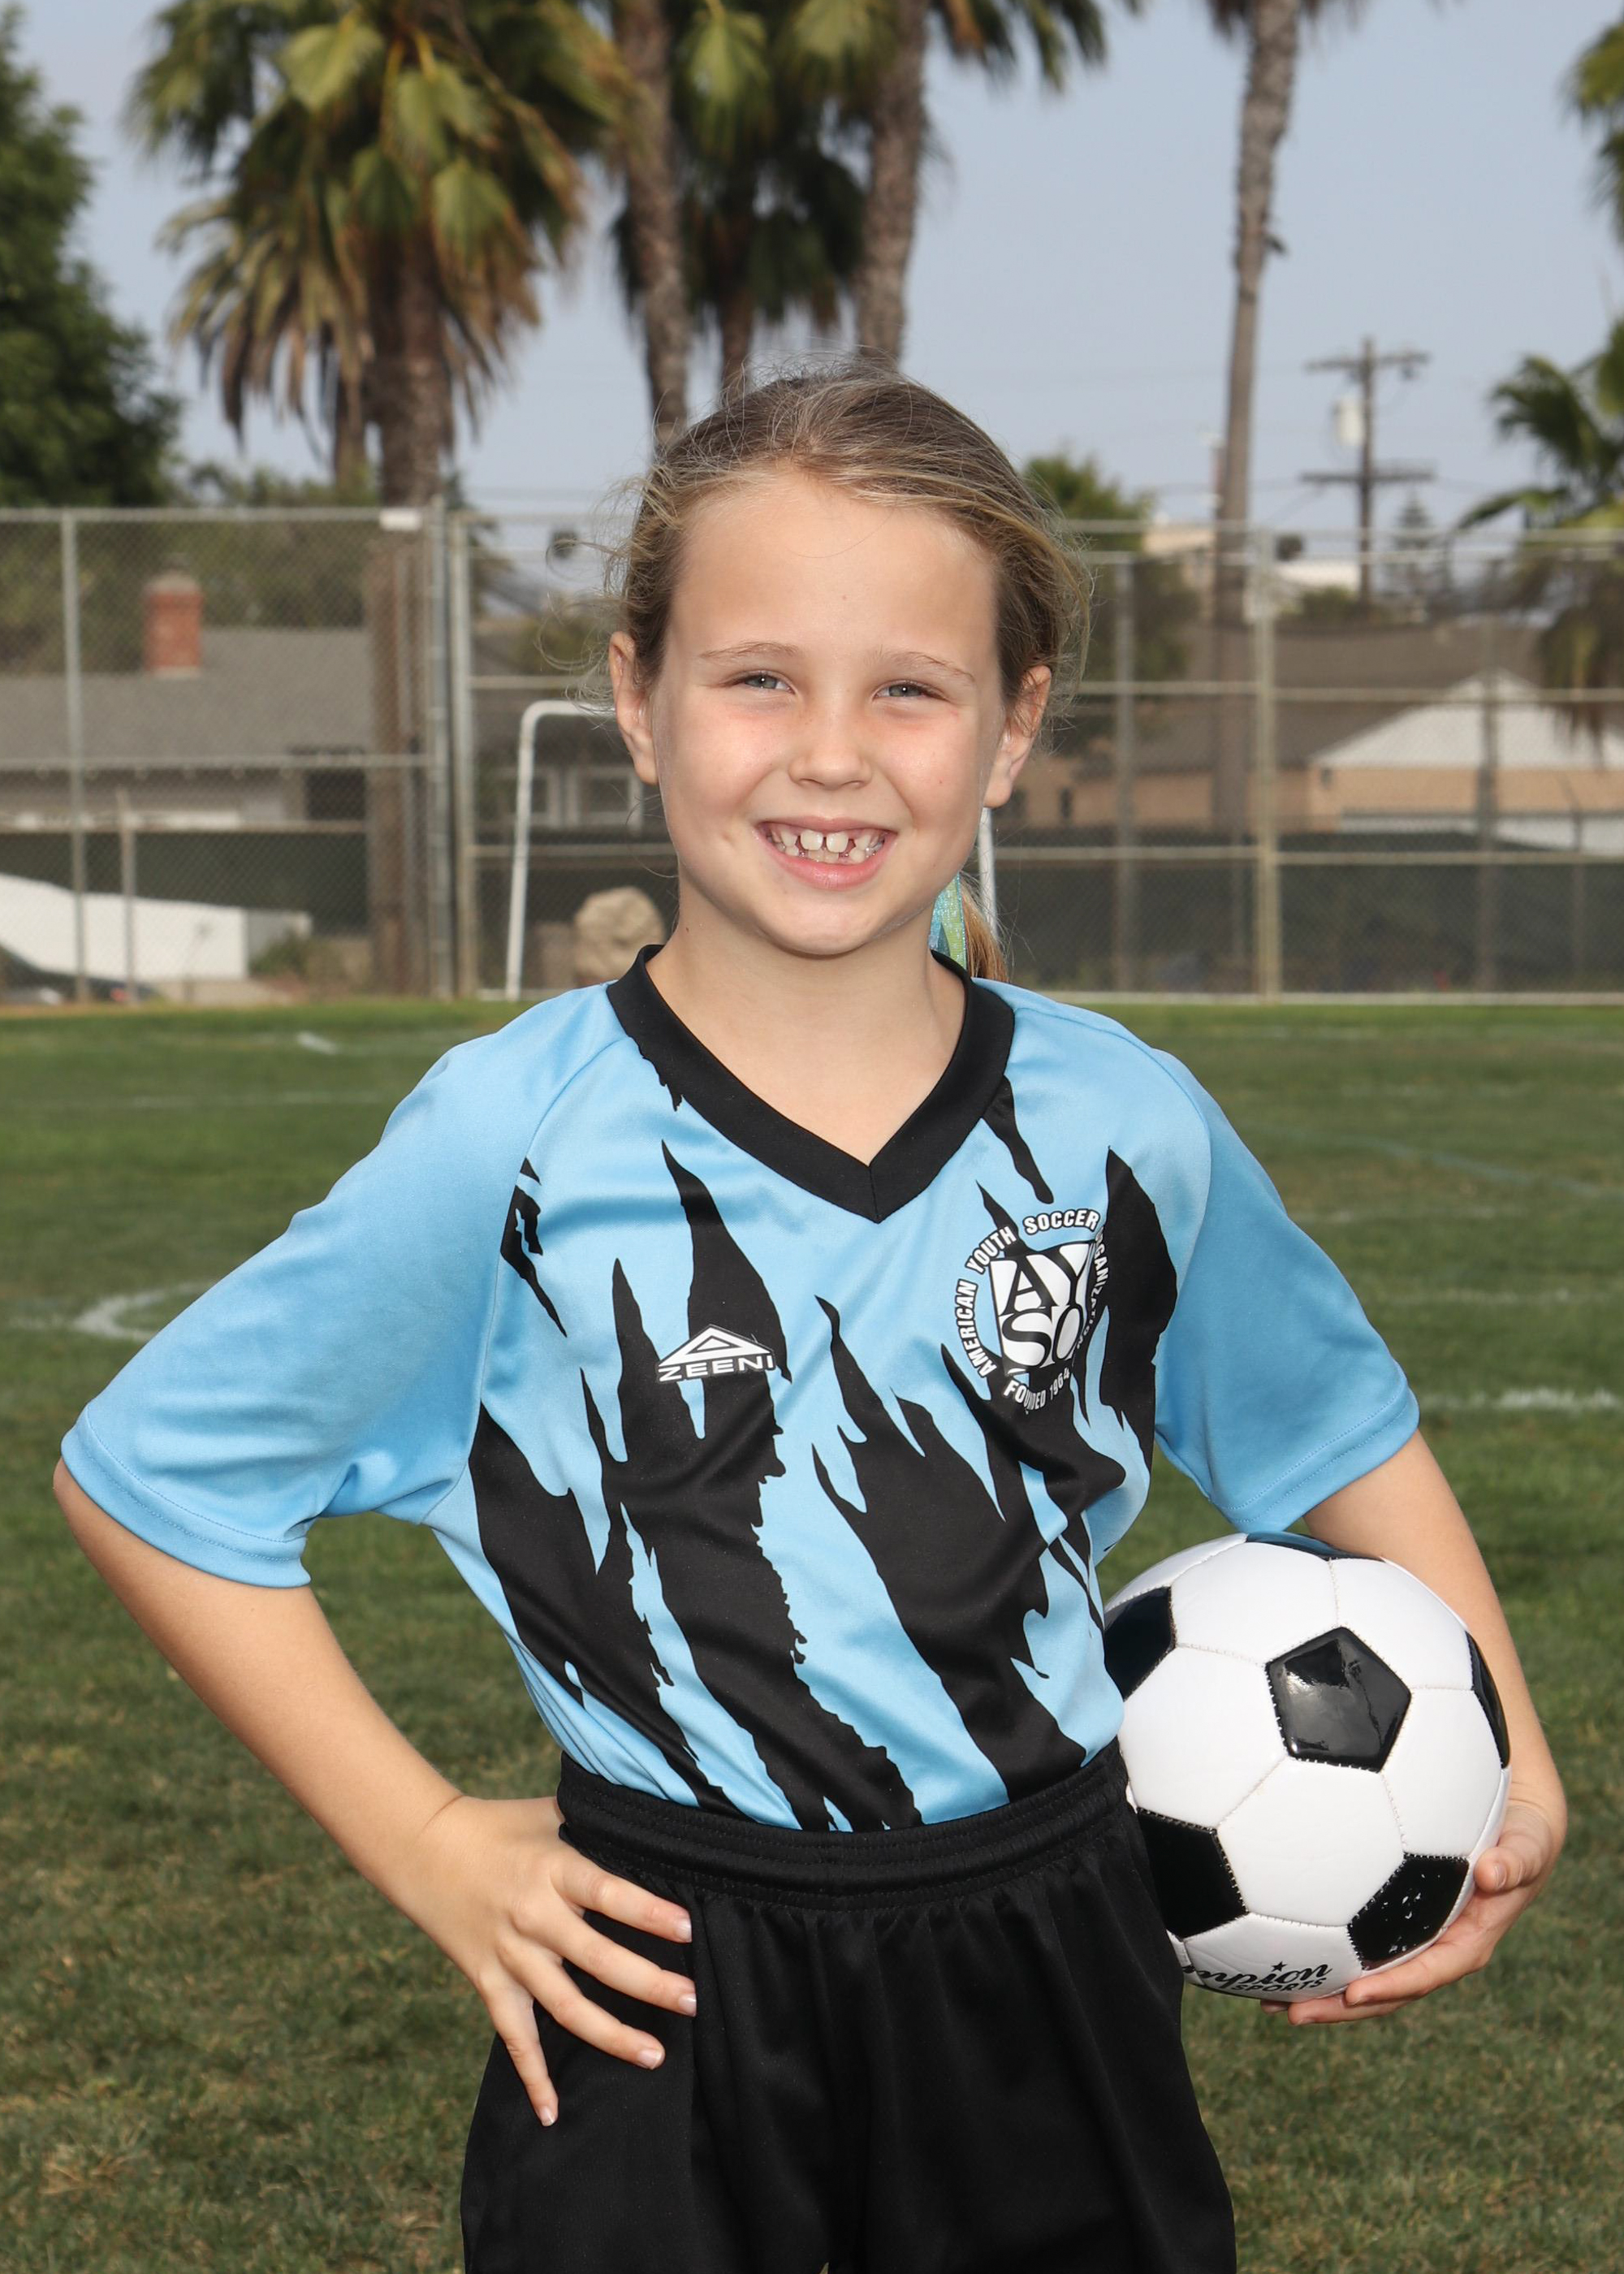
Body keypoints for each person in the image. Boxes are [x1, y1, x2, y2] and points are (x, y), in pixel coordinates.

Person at [54, 355, 1566, 2274]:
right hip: (658, 1975)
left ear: (1013, 727)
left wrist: (1508, 1746)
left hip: (1052, 1948)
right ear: (637, 697)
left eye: (908, 688)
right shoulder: (514, 1140)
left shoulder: (1126, 1125)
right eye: (758, 676)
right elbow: (157, 1479)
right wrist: (425, 1836)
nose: (830, 754)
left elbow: (1330, 1423)